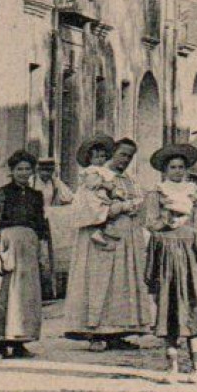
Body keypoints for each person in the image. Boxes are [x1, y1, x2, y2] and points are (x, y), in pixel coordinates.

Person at [63, 137, 152, 350]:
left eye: (129, 156)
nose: (125, 160)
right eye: (122, 154)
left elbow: (140, 206)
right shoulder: (95, 178)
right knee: (100, 282)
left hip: (126, 239)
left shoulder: (129, 180)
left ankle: (117, 332)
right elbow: (89, 207)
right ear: (112, 153)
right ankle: (96, 332)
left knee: (121, 285)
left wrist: (137, 207)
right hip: (100, 240)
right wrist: (119, 208)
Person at [0, 150, 54, 360]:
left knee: (25, 297)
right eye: (19, 169)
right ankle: (1, 345)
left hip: (29, 250)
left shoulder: (35, 196)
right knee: (2, 294)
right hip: (5, 247)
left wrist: (42, 253)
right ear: (11, 171)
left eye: (27, 169)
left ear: (32, 171)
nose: (23, 173)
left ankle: (20, 343)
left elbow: (40, 227)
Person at [145, 145, 197, 380]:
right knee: (169, 305)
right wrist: (167, 221)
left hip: (188, 251)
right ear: (164, 170)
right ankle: (172, 366)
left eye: (181, 167)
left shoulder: (192, 192)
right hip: (166, 252)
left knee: (192, 303)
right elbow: (150, 223)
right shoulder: (157, 193)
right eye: (172, 167)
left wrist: (196, 245)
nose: (177, 171)